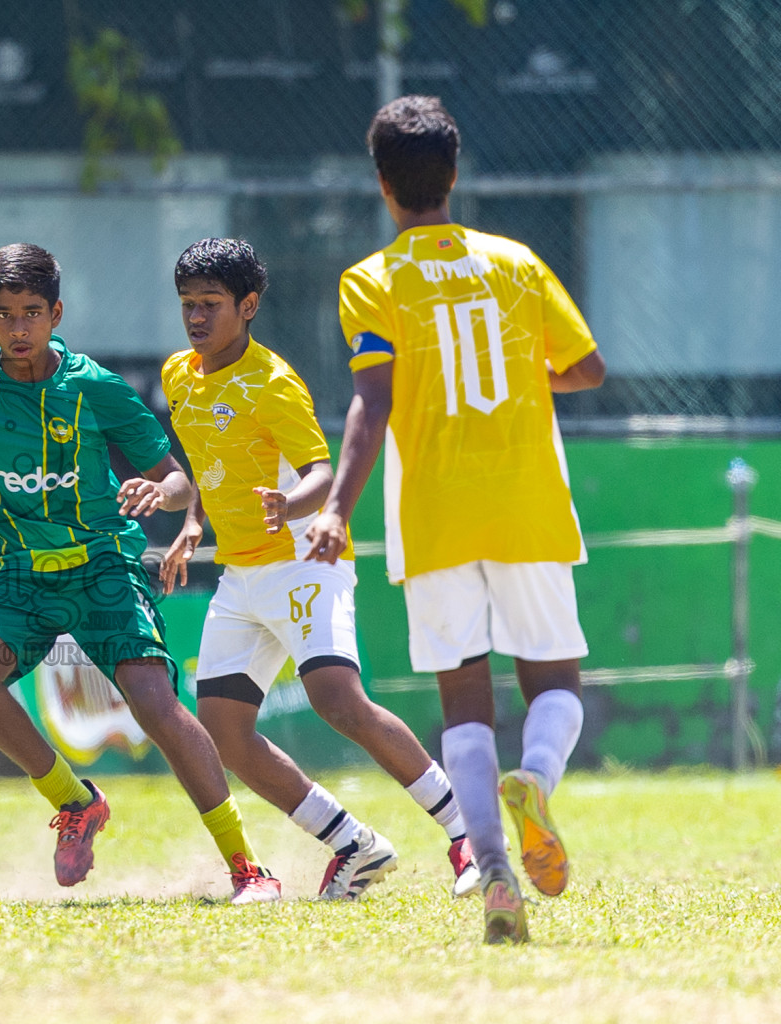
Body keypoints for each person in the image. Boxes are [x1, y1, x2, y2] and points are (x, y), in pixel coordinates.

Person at [305, 96, 606, 944]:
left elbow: (373, 400)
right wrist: (517, 376)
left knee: (463, 695)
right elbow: (585, 367)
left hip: (432, 507)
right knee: (554, 681)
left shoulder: (370, 279)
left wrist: (337, 509)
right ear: (456, 172)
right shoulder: (515, 262)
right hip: (526, 496)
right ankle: (536, 780)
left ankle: (496, 869)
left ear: (382, 185)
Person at [0, 243, 278, 904]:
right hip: (14, 574)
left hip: (102, 571)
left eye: (31, 313)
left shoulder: (94, 389)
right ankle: (74, 802)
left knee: (152, 701)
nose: (17, 329)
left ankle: (246, 866)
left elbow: (175, 478)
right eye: (3, 315)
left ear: (56, 313)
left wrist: (160, 494)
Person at [158, 238, 477, 901]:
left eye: (211, 304)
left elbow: (321, 471)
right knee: (225, 731)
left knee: (338, 700)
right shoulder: (178, 375)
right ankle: (353, 845)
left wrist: (290, 504)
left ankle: (466, 836)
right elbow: (201, 463)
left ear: (248, 307)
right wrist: (192, 522)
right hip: (241, 576)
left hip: (305, 561)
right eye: (188, 304)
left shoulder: (273, 383)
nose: (196, 317)